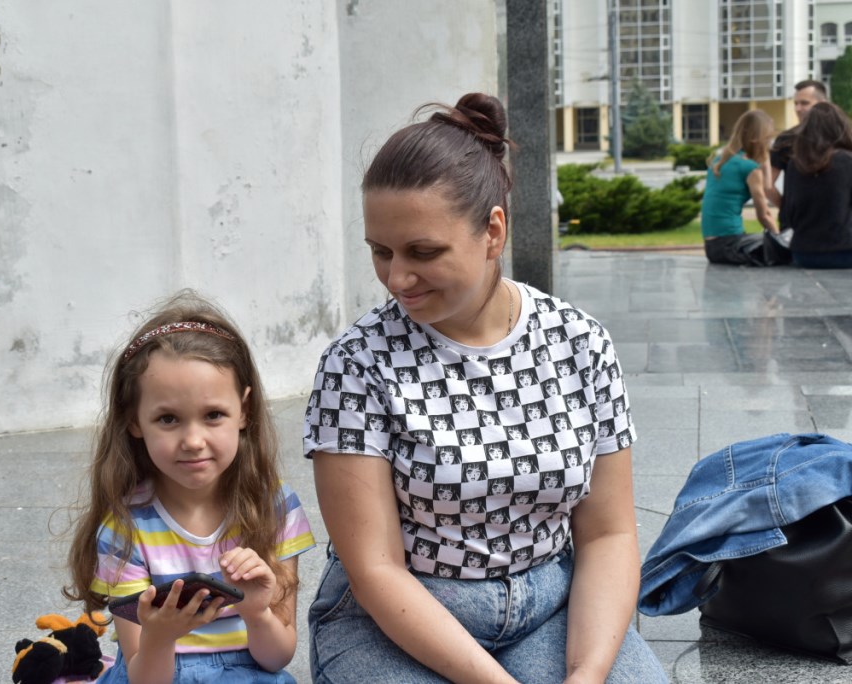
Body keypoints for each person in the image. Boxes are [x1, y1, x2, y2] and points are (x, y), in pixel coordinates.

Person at [303, 93, 667, 683]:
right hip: (396, 620)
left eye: (423, 252)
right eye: (380, 252)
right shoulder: (356, 364)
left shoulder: (580, 342)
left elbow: (608, 534)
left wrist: (586, 673)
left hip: (551, 608)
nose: (397, 277)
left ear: (492, 231)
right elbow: (376, 569)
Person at [64, 290, 316, 684]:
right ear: (134, 421)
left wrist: (256, 613)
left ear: (244, 410)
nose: (193, 441)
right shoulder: (124, 527)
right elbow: (145, 678)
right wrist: (161, 637)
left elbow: (276, 658)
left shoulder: (275, 506)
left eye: (213, 414)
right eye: (168, 419)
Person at [700, 109, 779, 266]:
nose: (769, 143)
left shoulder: (718, 161)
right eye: (768, 138)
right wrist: (780, 240)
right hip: (730, 245)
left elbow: (767, 187)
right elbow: (764, 215)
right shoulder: (749, 168)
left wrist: (765, 157)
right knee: (789, 246)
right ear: (757, 138)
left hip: (712, 247)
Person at [782, 102, 852, 268]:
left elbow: (788, 212)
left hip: (804, 253)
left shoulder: (795, 164)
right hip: (844, 250)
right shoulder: (847, 161)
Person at [767, 79, 828, 211]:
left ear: (822, 104)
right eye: (796, 103)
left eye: (804, 103)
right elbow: (767, 183)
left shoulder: (840, 136)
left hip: (835, 221)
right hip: (797, 221)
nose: (798, 109)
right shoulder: (786, 139)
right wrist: (787, 210)